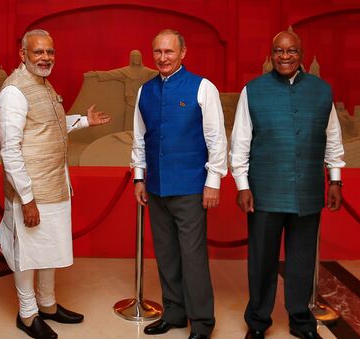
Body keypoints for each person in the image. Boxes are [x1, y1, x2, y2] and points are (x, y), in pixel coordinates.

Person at [0, 29, 110, 339]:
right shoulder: (14, 92)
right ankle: (27, 313)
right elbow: (10, 149)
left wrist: (84, 121)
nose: (46, 58)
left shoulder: (42, 84)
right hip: (31, 191)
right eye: (38, 52)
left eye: (50, 52)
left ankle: (47, 305)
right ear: (23, 55)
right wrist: (27, 199)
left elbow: (49, 128)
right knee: (29, 253)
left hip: (55, 185)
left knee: (49, 250)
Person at [230, 31, 345, 339]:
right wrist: (242, 185)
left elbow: (332, 138)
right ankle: (257, 322)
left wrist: (335, 178)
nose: (285, 56)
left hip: (308, 190)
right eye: (279, 51)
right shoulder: (252, 90)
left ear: (301, 54)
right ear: (271, 54)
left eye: (291, 51)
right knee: (262, 261)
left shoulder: (322, 91)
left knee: (302, 261)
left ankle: (300, 320)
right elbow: (240, 142)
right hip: (264, 192)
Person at [131, 29, 227, 339]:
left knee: (193, 257)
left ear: (182, 53)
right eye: (157, 51)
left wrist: (213, 182)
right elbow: (139, 139)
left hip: (191, 188)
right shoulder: (144, 91)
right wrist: (139, 178)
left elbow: (216, 138)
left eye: (169, 51)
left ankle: (201, 323)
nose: (162, 58)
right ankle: (173, 313)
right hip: (156, 187)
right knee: (166, 253)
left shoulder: (203, 88)